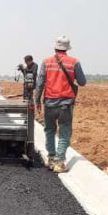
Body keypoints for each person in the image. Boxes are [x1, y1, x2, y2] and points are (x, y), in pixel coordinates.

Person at [35, 35, 87, 173]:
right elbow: (82, 82)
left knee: (50, 131)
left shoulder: (46, 62)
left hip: (49, 103)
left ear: (55, 47)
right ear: (67, 48)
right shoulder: (74, 62)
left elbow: (39, 83)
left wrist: (37, 101)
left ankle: (51, 158)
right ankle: (59, 162)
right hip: (66, 105)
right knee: (64, 133)